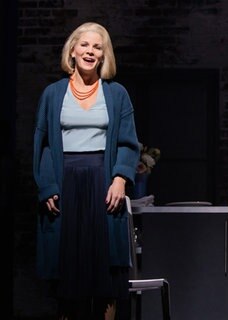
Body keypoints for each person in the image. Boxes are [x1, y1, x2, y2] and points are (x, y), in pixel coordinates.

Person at [33, 22, 140, 319]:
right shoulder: (53, 94)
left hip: (103, 182)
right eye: (85, 45)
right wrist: (47, 184)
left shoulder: (116, 94)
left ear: (104, 56)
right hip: (65, 181)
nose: (90, 52)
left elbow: (129, 142)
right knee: (69, 275)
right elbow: (42, 144)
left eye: (97, 47)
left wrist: (120, 177)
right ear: (72, 50)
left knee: (106, 276)